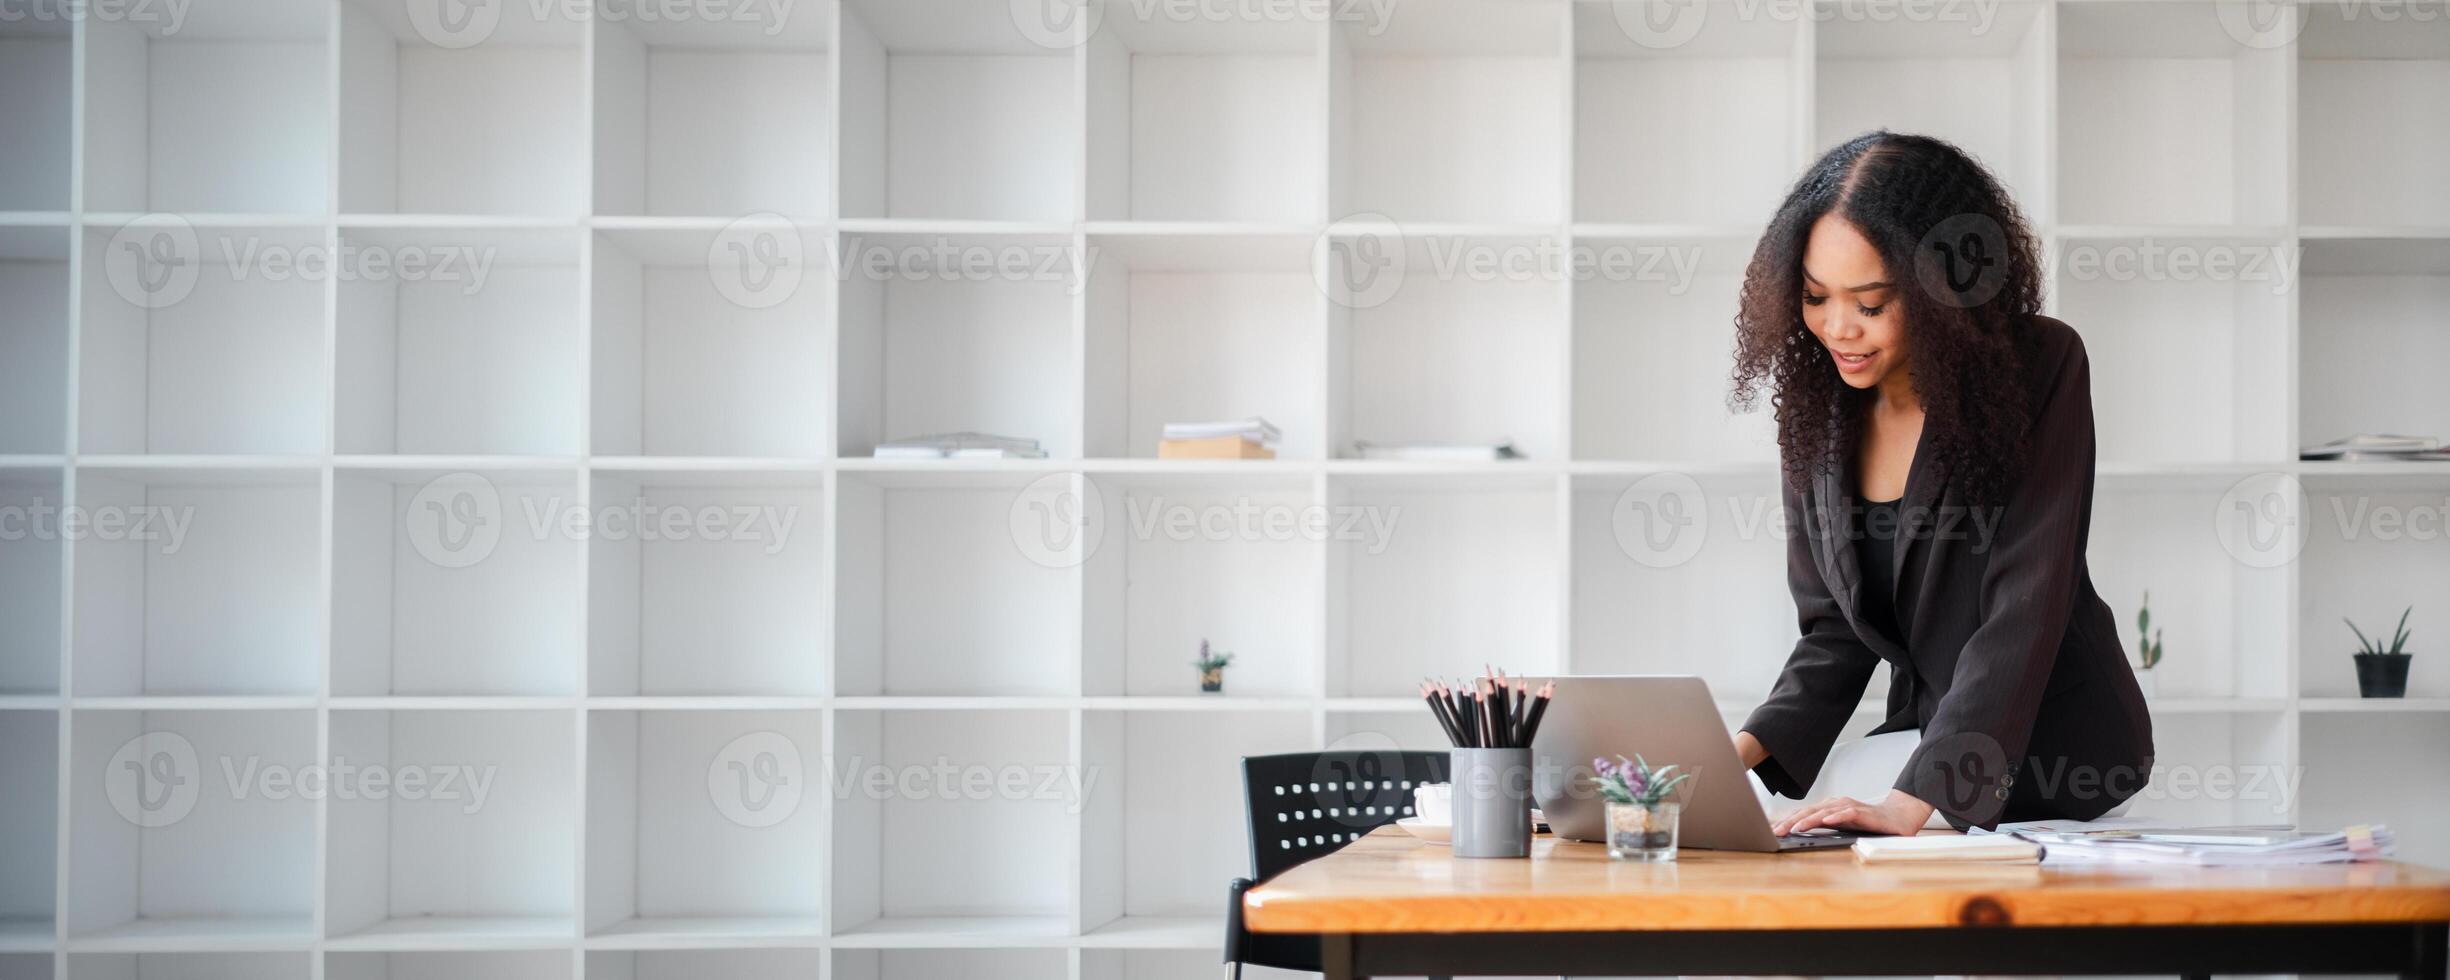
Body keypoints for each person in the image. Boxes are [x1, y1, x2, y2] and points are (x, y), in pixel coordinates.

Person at [1728, 131, 2154, 833]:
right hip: (1932, 743)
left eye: (1870, 304)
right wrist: (1724, 760)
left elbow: (2024, 604)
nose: (1838, 329)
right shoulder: (1818, 407)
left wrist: (1909, 805)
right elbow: (1835, 631)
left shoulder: (2039, 367)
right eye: (1814, 295)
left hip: (2058, 749)